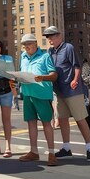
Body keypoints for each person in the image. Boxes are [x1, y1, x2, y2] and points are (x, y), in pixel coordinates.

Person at [44, 26, 90, 161]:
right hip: (59, 90)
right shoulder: (50, 52)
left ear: (59, 36)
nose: (49, 39)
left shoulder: (68, 48)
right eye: (47, 36)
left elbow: (76, 66)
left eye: (51, 36)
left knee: (80, 119)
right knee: (62, 120)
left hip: (72, 89)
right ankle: (66, 148)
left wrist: (75, 79)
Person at [17, 34, 58, 166]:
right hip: (27, 94)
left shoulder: (45, 56)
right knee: (31, 123)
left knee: (46, 123)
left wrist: (42, 77)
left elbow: (54, 75)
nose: (26, 47)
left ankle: (52, 153)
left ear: (36, 43)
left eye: (29, 44)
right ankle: (33, 152)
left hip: (42, 94)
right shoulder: (22, 57)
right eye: (24, 45)